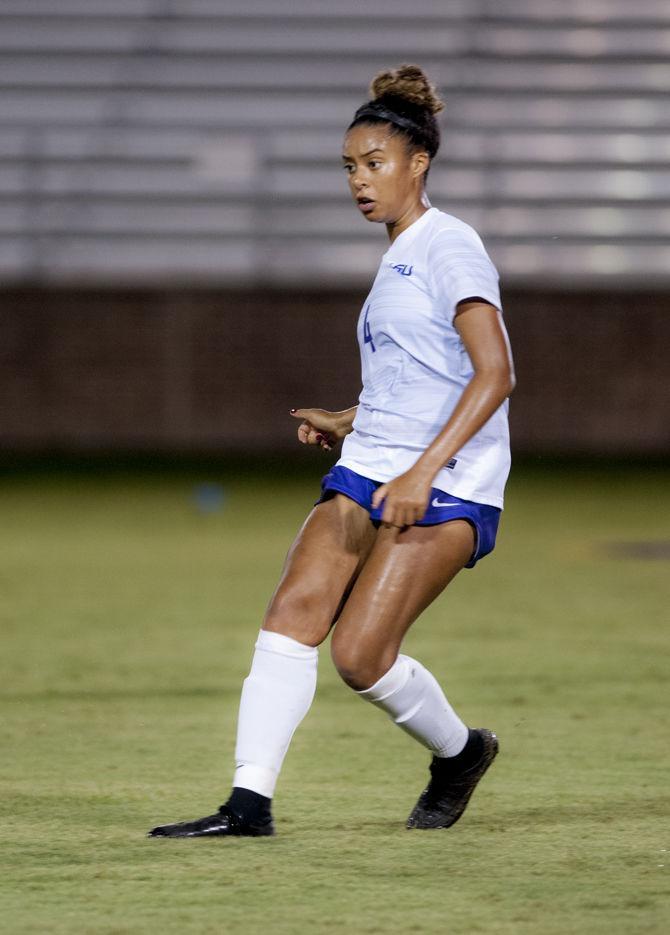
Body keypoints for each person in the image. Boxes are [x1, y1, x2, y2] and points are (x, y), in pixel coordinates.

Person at [149, 63, 515, 839]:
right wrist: (352, 418)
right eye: (349, 165)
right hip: (373, 462)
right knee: (292, 613)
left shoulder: (450, 243)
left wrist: (421, 469)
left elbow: (495, 373)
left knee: (359, 656)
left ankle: (459, 753)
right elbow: (423, 376)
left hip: (448, 480)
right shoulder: (396, 259)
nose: (359, 179)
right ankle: (248, 805)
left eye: (374, 162)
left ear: (418, 163)